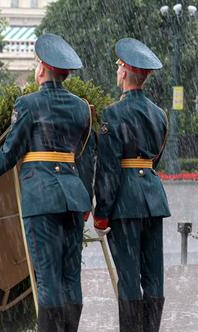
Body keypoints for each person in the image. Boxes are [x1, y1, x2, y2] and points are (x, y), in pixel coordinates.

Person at [0, 33, 93, 331]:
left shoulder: (28, 103)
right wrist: (87, 199)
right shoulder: (82, 107)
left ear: (42, 68)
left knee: (46, 274)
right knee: (71, 274)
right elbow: (85, 157)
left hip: (41, 195)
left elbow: (12, 149)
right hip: (73, 196)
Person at [93, 38, 170, 332]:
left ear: (124, 72)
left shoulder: (112, 114)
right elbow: (155, 159)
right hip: (153, 198)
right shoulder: (159, 114)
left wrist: (102, 213)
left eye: (118, 68)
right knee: (153, 277)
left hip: (126, 203)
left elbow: (109, 169)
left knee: (128, 277)